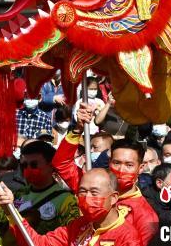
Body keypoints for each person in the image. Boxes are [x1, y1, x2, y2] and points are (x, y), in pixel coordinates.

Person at [52, 103, 159, 244]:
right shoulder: (90, 186)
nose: (121, 170)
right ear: (109, 162)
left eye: (129, 165)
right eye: (116, 163)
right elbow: (62, 163)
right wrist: (78, 129)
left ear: (141, 168)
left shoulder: (146, 217)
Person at [0, 168, 142, 246]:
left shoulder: (128, 238)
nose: (87, 198)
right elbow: (40, 243)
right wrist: (10, 210)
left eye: (94, 192)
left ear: (114, 198)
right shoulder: (79, 225)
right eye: (83, 192)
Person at [5, 140, 78, 245]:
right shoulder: (17, 194)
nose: (28, 169)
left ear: (51, 165)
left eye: (34, 165)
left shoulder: (66, 200)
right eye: (25, 165)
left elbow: (71, 236)